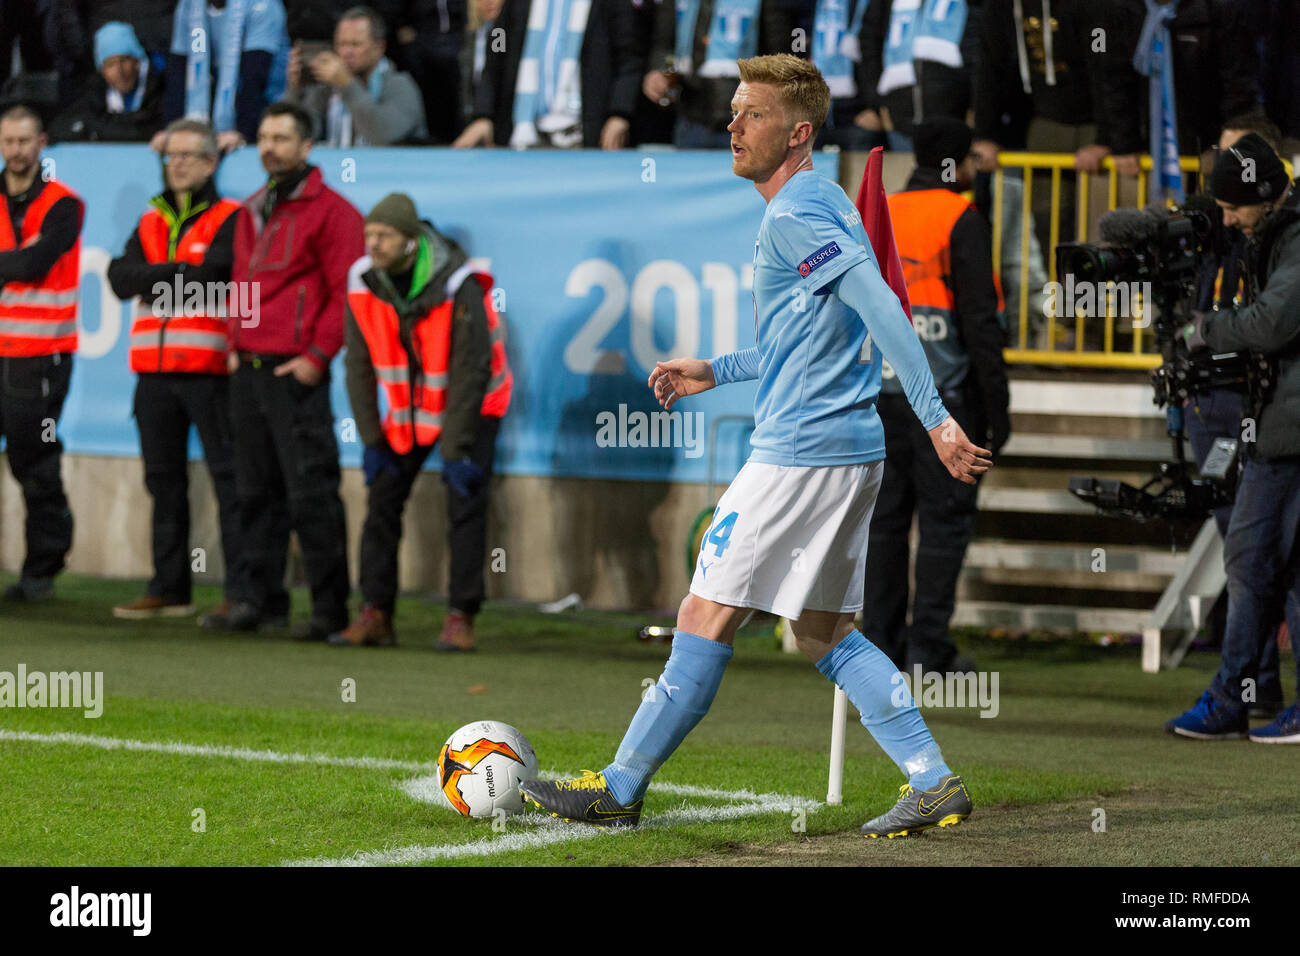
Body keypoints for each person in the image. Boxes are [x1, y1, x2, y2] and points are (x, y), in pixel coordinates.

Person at [521, 55, 991, 835]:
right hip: (848, 451)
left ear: (799, 133)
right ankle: (933, 779)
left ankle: (619, 788)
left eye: (753, 115)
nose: (733, 126)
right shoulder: (822, 199)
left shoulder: (794, 214)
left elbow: (882, 312)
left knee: (704, 613)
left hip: (799, 456)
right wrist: (720, 369)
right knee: (823, 632)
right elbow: (810, 339)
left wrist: (938, 418)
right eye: (734, 111)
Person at [864, 117, 1010, 677]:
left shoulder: (882, 213)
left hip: (879, 395)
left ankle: (878, 649)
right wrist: (998, 413)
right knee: (945, 526)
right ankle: (928, 648)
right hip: (943, 402)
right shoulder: (961, 217)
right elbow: (981, 324)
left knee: (884, 524)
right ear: (956, 162)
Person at [333, 193, 512, 650]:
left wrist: (456, 450)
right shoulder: (362, 281)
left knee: (465, 506)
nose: (373, 243)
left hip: (471, 409)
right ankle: (375, 613)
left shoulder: (459, 284)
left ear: (411, 242)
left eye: (385, 235)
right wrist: (372, 440)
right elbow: (357, 365)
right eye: (369, 234)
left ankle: (461, 617)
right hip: (408, 415)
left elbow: (472, 371)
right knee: (381, 506)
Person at [1168, 132, 1300, 743]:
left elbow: (1273, 321)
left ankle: (1230, 698)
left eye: (1232, 206)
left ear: (1263, 194)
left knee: (1248, 555)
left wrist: (1207, 330)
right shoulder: (1278, 234)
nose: (1225, 219)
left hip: (1287, 428)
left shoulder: (1294, 237)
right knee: (1280, 565)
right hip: (1281, 421)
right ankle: (1243, 696)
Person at [215, 101, 363, 639]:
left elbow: (346, 293)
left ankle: (328, 611)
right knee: (252, 491)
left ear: (307, 146)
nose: (269, 146)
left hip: (294, 372)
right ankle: (260, 600)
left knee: (311, 494)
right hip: (248, 369)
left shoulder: (334, 212)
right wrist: (233, 342)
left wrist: (317, 358)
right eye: (263, 136)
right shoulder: (253, 207)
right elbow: (240, 283)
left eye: (281, 137)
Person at [106, 119, 250, 620]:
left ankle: (241, 591)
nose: (178, 163)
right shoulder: (150, 218)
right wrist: (173, 276)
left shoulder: (231, 216)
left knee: (229, 480)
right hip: (153, 371)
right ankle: (169, 587)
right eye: (172, 155)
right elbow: (119, 278)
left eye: (190, 155)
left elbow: (216, 277)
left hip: (209, 369)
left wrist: (156, 278)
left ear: (212, 162)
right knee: (162, 481)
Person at [0, 105, 83, 603]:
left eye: (24, 141)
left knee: (34, 459)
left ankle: (42, 568)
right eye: (8, 141)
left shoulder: (63, 204)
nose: (15, 150)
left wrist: (15, 263)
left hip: (39, 354)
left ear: (42, 143)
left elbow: (34, 263)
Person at [453, 0, 641, 150]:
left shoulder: (613, 4)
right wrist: (483, 116)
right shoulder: (513, 5)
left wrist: (619, 114)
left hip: (582, 135)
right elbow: (495, 54)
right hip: (520, 135)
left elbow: (629, 60)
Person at [281, 5, 427, 146]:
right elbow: (300, 135)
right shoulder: (328, 87)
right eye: (341, 44)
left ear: (379, 47)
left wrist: (348, 85)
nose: (346, 52)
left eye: (355, 45)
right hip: (338, 168)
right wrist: (295, 90)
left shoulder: (400, 84)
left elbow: (383, 135)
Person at [162, 0, 291, 153]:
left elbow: (254, 78)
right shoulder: (190, 6)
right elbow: (181, 72)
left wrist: (243, 133)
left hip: (268, 110)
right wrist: (172, 131)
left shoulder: (263, 5)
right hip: (214, 112)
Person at [49, 21, 166, 143]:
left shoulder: (160, 87)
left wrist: (100, 128)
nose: (119, 71)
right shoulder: (93, 92)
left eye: (124, 60)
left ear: (137, 62)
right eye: (111, 64)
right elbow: (58, 129)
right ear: (102, 71)